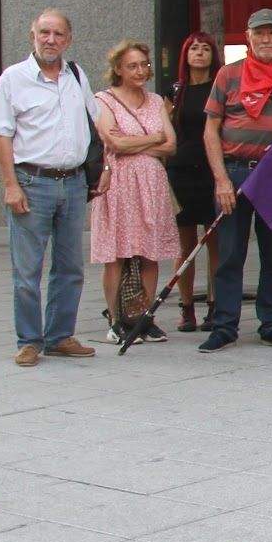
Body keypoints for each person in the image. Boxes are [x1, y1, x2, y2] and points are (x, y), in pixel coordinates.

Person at [198, 8, 272, 352]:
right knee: (230, 253)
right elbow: (210, 129)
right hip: (233, 172)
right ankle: (224, 325)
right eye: (258, 33)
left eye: (271, 33)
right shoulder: (227, 75)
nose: (265, 39)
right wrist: (220, 180)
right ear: (248, 37)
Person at [0, 9, 99, 366]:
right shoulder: (13, 79)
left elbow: (96, 126)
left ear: (69, 38)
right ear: (32, 34)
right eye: (44, 33)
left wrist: (105, 168)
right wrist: (10, 185)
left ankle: (59, 335)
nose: (51, 40)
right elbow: (2, 136)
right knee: (27, 270)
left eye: (58, 34)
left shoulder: (77, 76)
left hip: (73, 182)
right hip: (31, 182)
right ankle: (29, 340)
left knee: (70, 267)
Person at [90, 40, 181, 343]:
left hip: (152, 183)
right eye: (132, 65)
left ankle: (143, 317)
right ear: (118, 69)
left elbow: (171, 144)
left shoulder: (156, 101)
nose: (141, 70)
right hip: (118, 183)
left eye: (144, 64)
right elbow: (113, 143)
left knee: (149, 252)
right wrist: (153, 138)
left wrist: (137, 142)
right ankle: (116, 320)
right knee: (116, 253)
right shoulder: (103, 99)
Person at [167, 31, 222, 333]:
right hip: (181, 171)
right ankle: (186, 308)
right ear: (185, 55)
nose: (199, 53)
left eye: (205, 48)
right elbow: (165, 130)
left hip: (212, 171)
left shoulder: (220, 87)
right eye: (194, 48)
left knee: (214, 241)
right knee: (184, 244)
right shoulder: (175, 90)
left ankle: (215, 306)